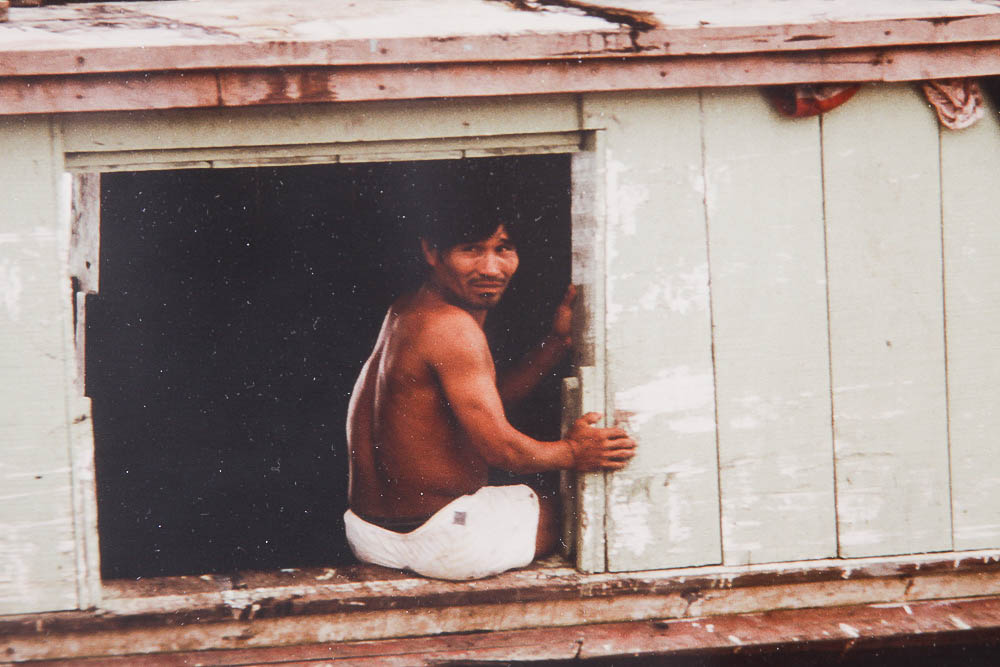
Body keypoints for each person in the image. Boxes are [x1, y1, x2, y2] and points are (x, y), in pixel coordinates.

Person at [343, 184, 636, 580]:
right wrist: (573, 452)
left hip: (368, 534)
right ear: (432, 251)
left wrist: (557, 341)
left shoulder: (408, 309)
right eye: (471, 250)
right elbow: (503, 451)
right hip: (445, 542)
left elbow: (484, 403)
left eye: (503, 249)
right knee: (577, 507)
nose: (491, 268)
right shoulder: (453, 328)